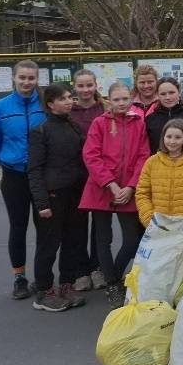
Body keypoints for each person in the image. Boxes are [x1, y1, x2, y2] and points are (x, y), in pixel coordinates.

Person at [79, 81, 151, 308]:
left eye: (124, 99)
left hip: (128, 188)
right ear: (109, 101)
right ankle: (112, 283)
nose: (121, 103)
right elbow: (91, 155)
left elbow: (143, 155)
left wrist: (130, 186)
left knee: (131, 240)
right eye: (116, 99)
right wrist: (111, 184)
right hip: (102, 188)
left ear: (131, 99)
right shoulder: (99, 123)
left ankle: (114, 274)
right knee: (103, 239)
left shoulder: (138, 123)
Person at [0, 59, 46, 300]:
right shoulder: (0, 108)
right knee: (18, 227)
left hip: (40, 176)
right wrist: (8, 161)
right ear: (14, 78)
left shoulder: (44, 105)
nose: (27, 82)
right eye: (22, 78)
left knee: (45, 228)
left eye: (31, 78)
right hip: (14, 176)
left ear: (37, 79)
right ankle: (19, 277)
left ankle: (42, 277)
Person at [27, 83, 88, 312]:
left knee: (73, 242)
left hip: (74, 194)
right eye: (63, 98)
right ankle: (43, 292)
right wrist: (42, 203)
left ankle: (66, 285)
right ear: (50, 104)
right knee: (48, 245)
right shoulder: (40, 130)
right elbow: (34, 169)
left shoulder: (72, 126)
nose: (70, 101)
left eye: (70, 97)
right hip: (52, 197)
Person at [69, 68, 109, 293]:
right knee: (77, 225)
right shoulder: (69, 111)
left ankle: (97, 268)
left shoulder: (105, 109)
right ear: (75, 87)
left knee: (100, 227)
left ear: (96, 86)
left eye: (89, 85)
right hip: (76, 175)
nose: (85, 90)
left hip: (99, 175)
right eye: (81, 86)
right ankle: (80, 271)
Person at [135, 119, 183, 228]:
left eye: (178, 137)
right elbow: (142, 193)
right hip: (158, 226)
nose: (172, 141)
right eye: (168, 137)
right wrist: (150, 220)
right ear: (163, 137)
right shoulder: (152, 162)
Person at [146, 77, 183, 152]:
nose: (168, 97)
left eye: (171, 93)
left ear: (179, 92)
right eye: (163, 94)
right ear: (157, 96)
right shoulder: (149, 120)